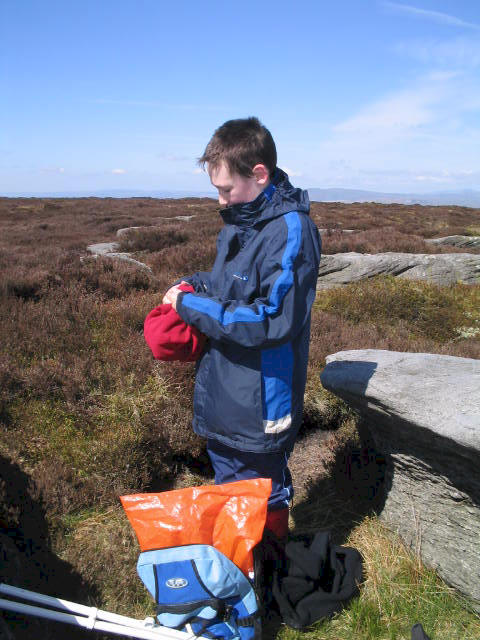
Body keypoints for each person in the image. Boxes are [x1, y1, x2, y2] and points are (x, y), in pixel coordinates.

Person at [163, 117, 321, 542]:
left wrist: (190, 306)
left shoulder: (291, 232)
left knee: (259, 493)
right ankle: (245, 575)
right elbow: (227, 285)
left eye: (226, 189)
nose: (221, 200)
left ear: (260, 174)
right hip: (225, 394)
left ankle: (268, 579)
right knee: (233, 492)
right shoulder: (240, 221)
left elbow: (272, 318)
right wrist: (192, 286)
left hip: (259, 405)